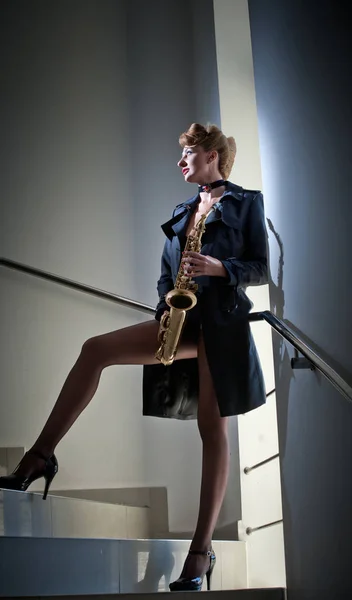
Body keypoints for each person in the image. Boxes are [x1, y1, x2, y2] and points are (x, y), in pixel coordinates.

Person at [0, 123, 268, 592]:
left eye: (187, 153)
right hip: (185, 319)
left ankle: (200, 552)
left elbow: (261, 266)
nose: (181, 161)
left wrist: (220, 267)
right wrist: (166, 305)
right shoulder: (182, 210)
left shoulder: (247, 202)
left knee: (212, 429)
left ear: (211, 155)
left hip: (222, 325)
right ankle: (40, 457)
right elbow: (166, 274)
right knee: (95, 349)